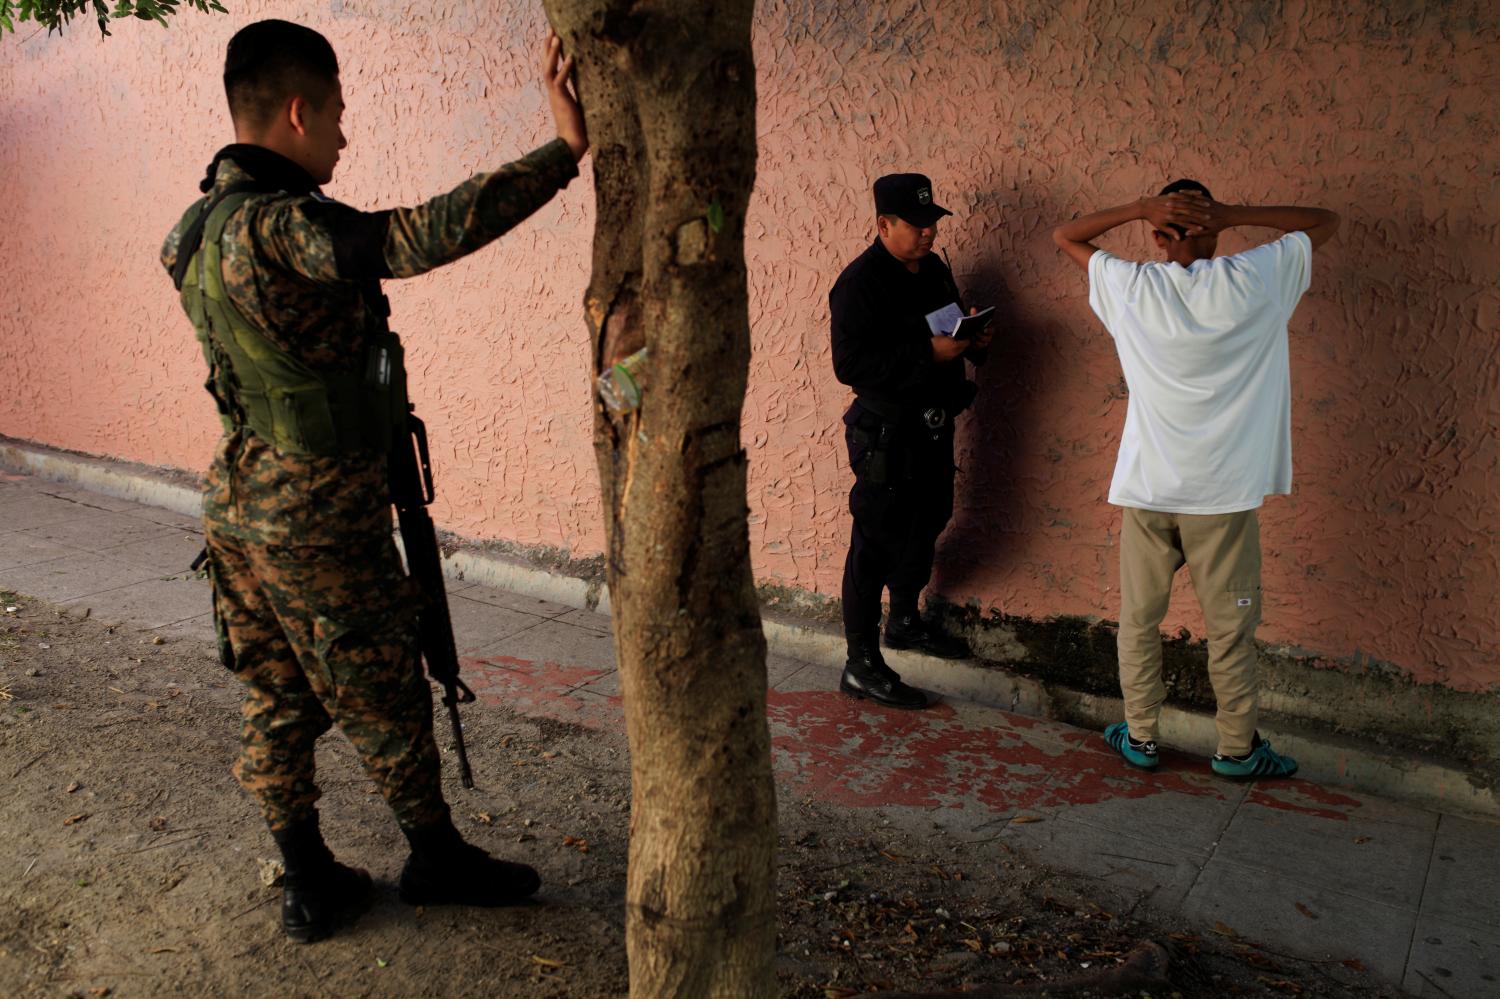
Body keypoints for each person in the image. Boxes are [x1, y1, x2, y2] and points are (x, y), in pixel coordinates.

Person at [159, 19, 588, 942]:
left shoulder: (193, 230)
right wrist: (564, 150)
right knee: (383, 682)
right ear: (299, 111)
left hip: (237, 501)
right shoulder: (280, 228)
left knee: (276, 689)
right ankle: (433, 854)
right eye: (340, 117)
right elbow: (417, 235)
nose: (345, 138)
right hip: (315, 512)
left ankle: (308, 873)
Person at [1052, 181, 1339, 779]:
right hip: (1222, 495)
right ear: (1215, 233)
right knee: (1230, 630)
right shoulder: (1257, 280)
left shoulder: (1131, 286)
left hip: (1147, 488)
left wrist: (1136, 207)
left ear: (1156, 236)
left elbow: (1066, 235)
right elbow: (1322, 220)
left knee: (1139, 620)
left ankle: (1140, 738)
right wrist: (1233, 215)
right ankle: (1236, 750)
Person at [829, 173, 994, 710]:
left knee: (929, 518)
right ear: (884, 224)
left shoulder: (934, 270)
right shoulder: (859, 283)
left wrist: (973, 341)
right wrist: (929, 355)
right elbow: (849, 365)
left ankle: (903, 620)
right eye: (917, 225)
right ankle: (860, 663)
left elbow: (948, 325)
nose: (928, 233)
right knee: (874, 541)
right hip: (885, 433)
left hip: (932, 423)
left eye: (932, 223)